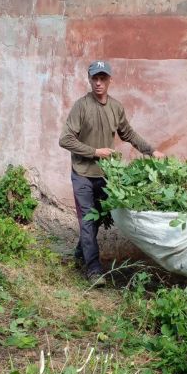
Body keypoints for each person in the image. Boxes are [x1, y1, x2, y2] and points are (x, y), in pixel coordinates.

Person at [59, 60, 163, 284]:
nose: (98, 83)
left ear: (109, 80)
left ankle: (80, 252)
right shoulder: (81, 106)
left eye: (102, 78)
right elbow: (65, 139)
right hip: (83, 173)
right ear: (89, 79)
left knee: (98, 218)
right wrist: (95, 151)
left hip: (106, 174)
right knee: (88, 220)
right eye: (94, 78)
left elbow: (129, 134)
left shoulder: (116, 108)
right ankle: (94, 270)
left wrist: (151, 151)